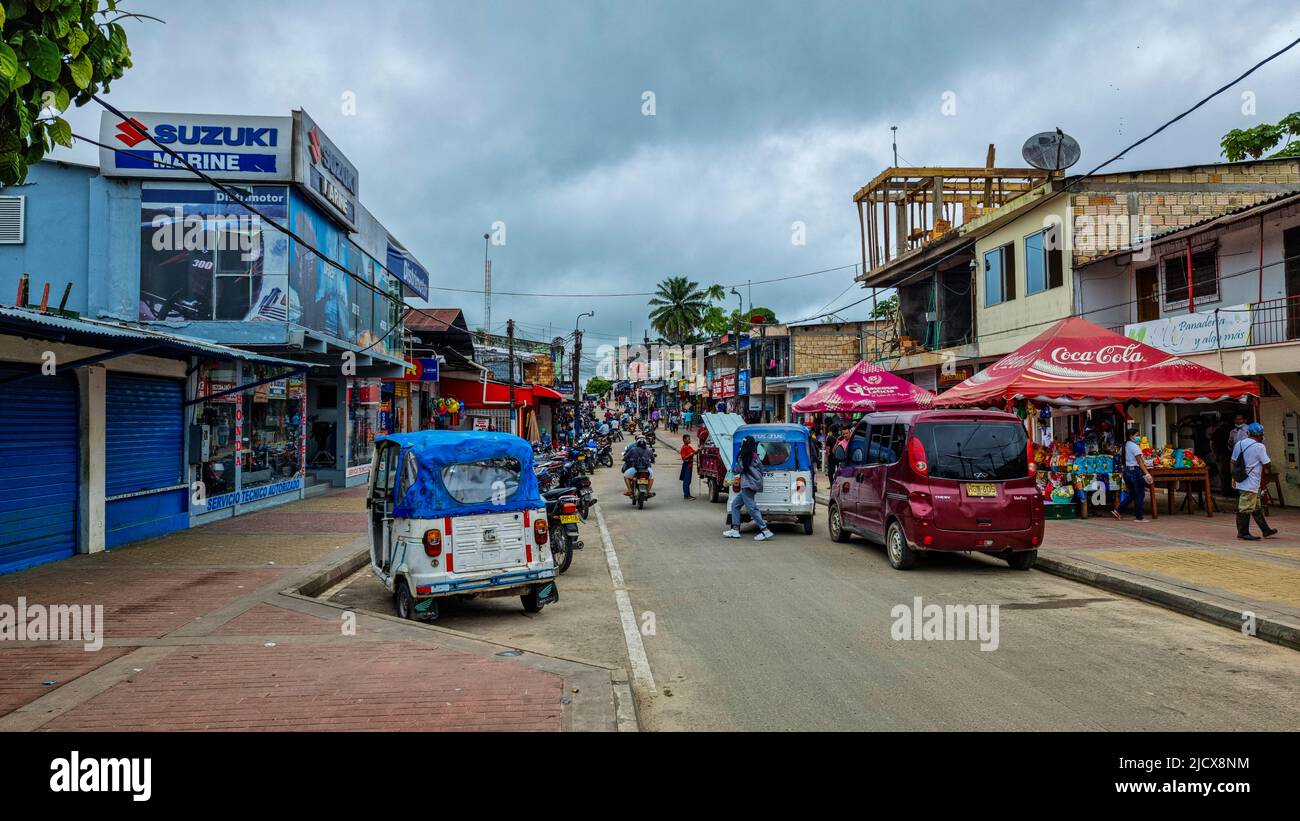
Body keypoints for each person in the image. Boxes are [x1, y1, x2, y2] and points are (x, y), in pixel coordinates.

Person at [724, 435, 775, 541]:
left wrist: (732, 470)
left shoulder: (743, 456)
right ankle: (735, 529)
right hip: (755, 484)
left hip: (747, 484)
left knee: (752, 508)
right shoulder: (755, 456)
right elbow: (761, 469)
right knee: (735, 505)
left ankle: (765, 530)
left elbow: (739, 469)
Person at [1232, 422, 1277, 540]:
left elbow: (1233, 462)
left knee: (1256, 507)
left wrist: (1233, 478)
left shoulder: (1239, 444)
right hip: (1251, 482)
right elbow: (1267, 463)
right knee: (1245, 508)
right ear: (1261, 435)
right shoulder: (1259, 446)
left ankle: (1265, 530)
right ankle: (1243, 532)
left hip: (1242, 480)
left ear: (1248, 433)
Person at [1112, 428, 1153, 522]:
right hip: (1134, 472)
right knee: (1140, 494)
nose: (1138, 437)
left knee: (1132, 494)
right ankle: (1139, 517)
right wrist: (1147, 473)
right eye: (1136, 435)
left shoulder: (1124, 446)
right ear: (1131, 436)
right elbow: (1140, 462)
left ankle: (1118, 510)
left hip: (1126, 472)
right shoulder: (1134, 447)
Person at [679, 433, 697, 500]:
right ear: (684, 440)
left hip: (690, 465)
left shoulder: (689, 447)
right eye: (688, 439)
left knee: (689, 480)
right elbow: (684, 458)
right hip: (686, 465)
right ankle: (686, 495)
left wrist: (699, 449)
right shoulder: (684, 448)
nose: (690, 440)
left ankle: (688, 494)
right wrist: (691, 455)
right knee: (686, 480)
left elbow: (694, 452)